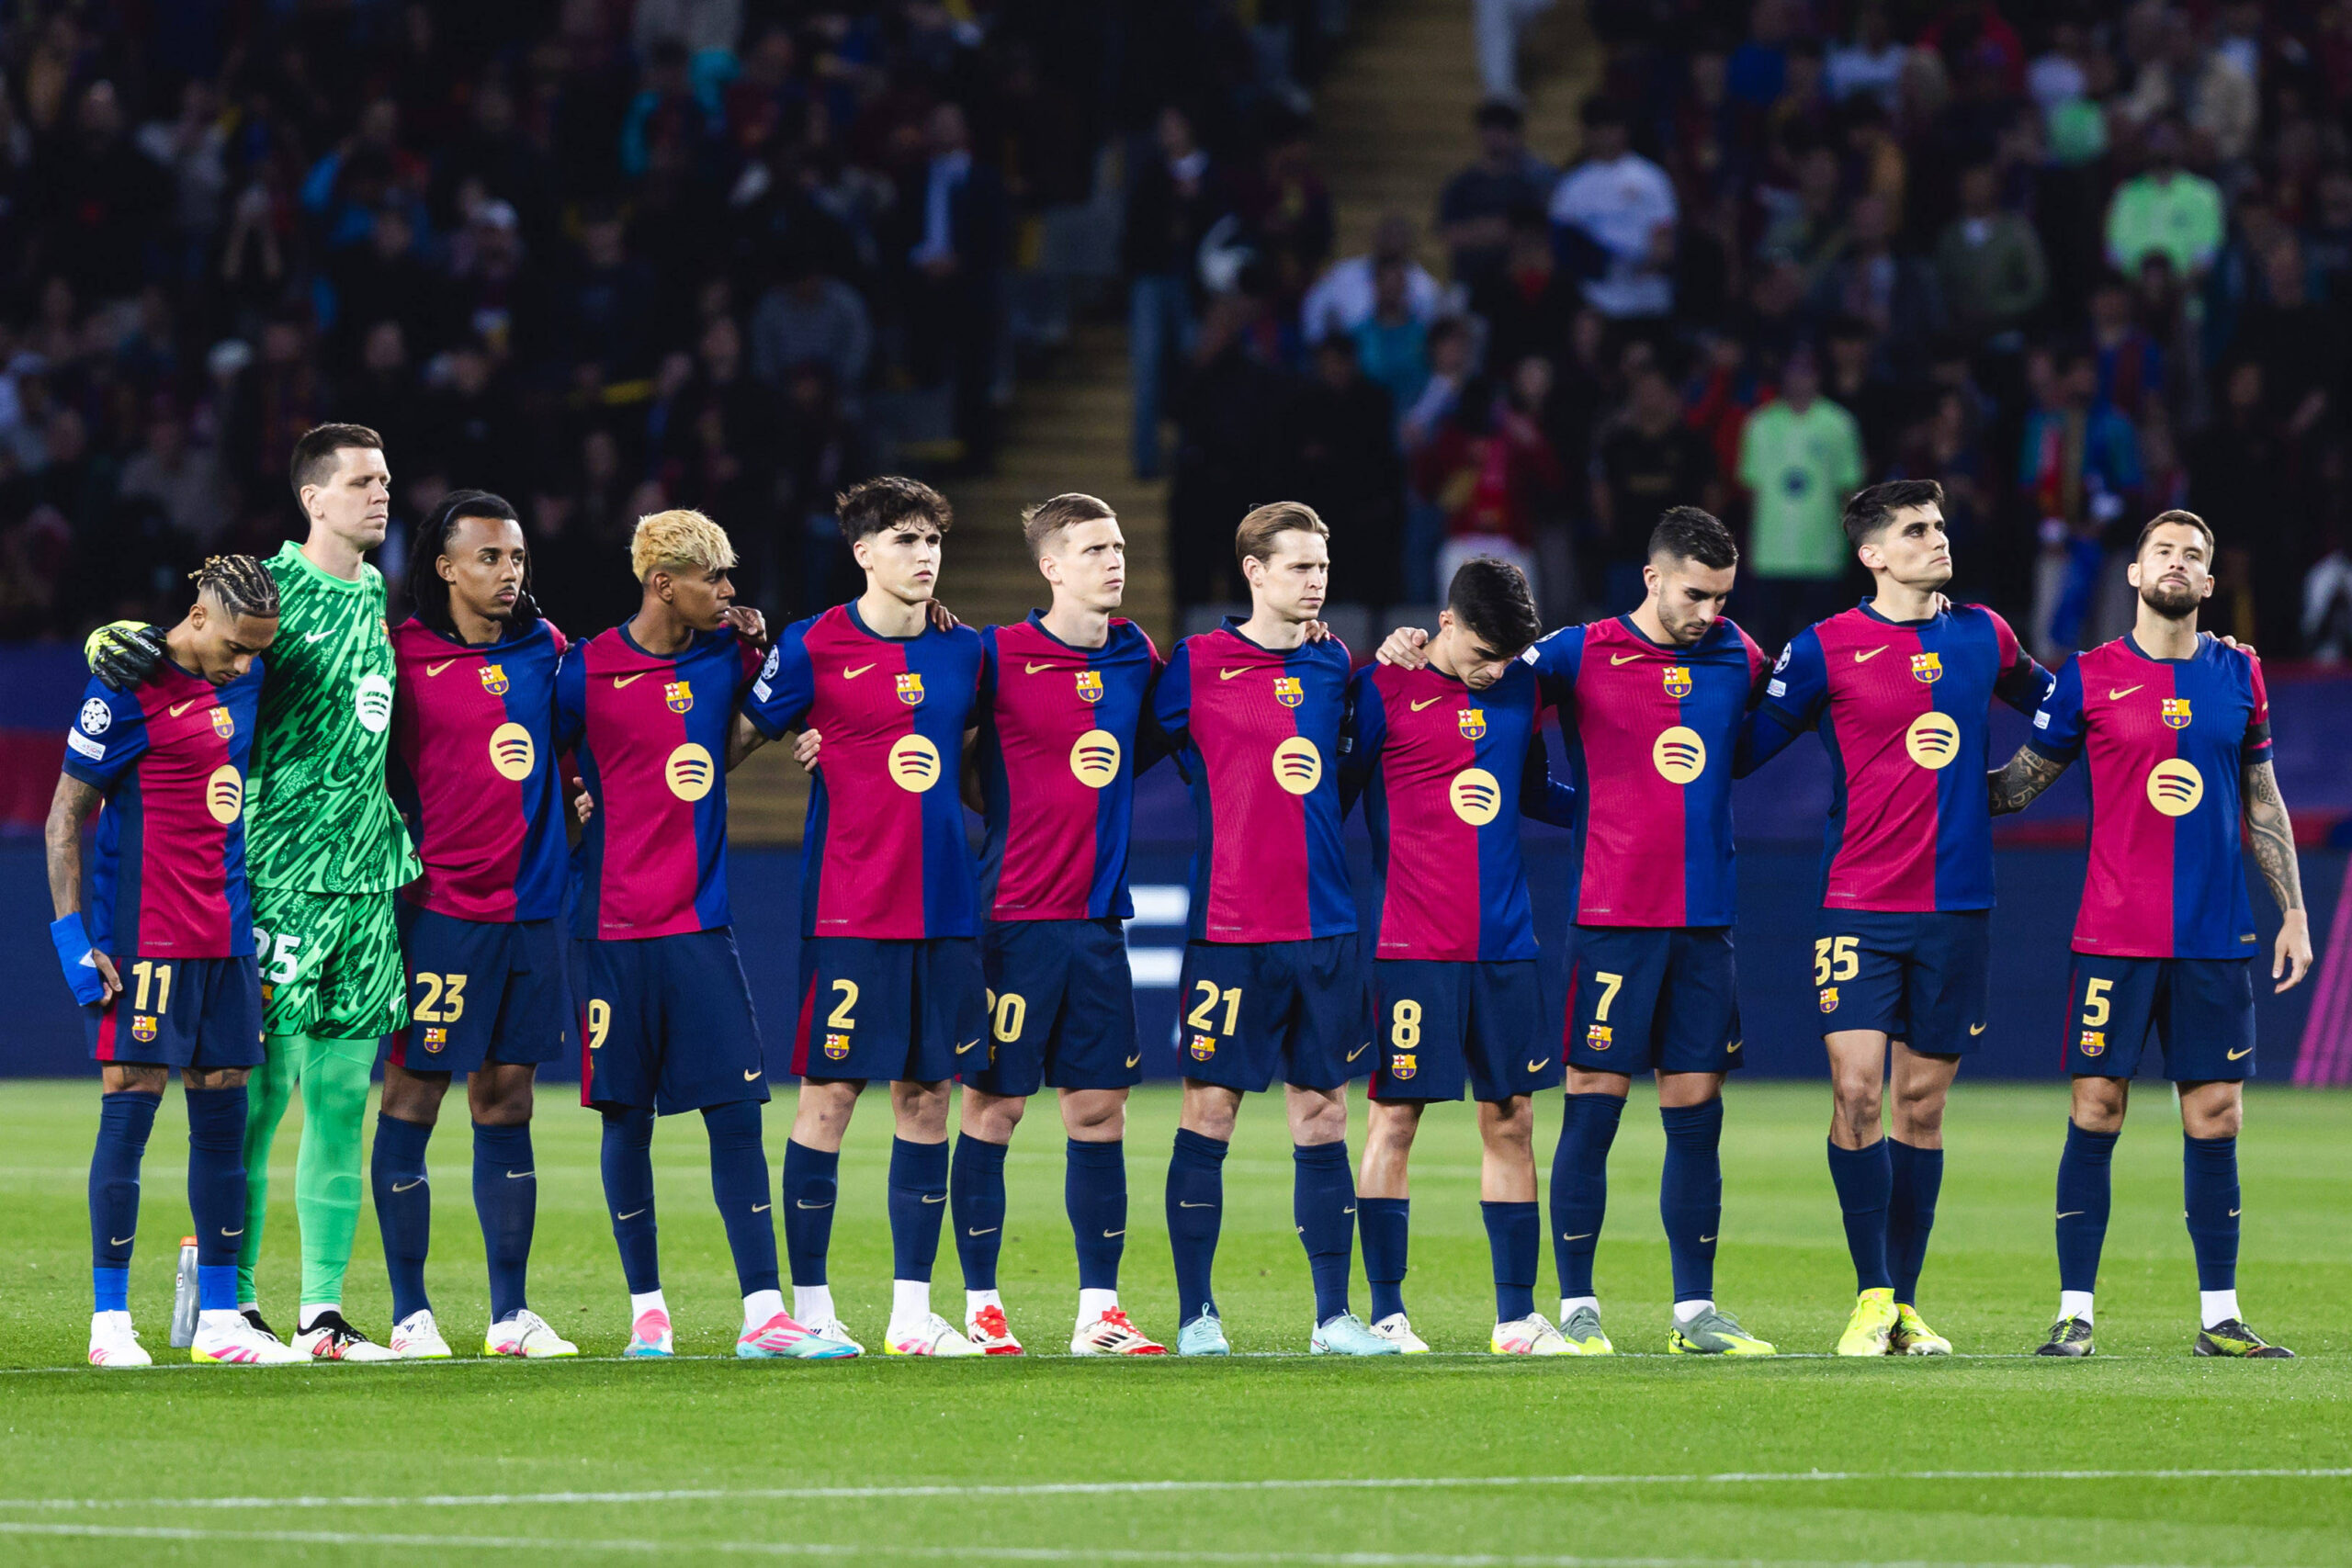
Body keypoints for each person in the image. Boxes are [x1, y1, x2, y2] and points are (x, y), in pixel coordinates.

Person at [1380, 507, 1779, 1355]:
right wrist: (1406, 648)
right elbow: (1477, 681)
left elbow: (1772, 729)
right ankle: (1578, 1306)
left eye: (1721, 597)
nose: (1708, 612)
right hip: (1611, 919)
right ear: (1653, 577)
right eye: (1695, 594)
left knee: (1696, 1115)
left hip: (1706, 921)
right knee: (1591, 1113)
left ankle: (1695, 1311)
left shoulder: (1738, 655)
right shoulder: (1572, 654)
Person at [90, 423, 419, 1360]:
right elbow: (172, 655)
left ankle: (322, 1314)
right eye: (360, 482)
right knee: (253, 1096)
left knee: (344, 1097)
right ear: (313, 497)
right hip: (274, 874)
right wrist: (112, 640)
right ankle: (227, 1303)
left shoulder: (376, 592)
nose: (380, 494)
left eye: (385, 480)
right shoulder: (269, 590)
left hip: (365, 877)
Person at [1741, 479, 2053, 1357]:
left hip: (1958, 906)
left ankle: (1905, 1306)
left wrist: (2019, 784)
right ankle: (1870, 1294)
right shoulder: (1824, 648)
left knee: (1922, 1105)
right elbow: (1743, 748)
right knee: (1857, 1091)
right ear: (1871, 554)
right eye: (1915, 530)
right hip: (1858, 903)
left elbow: (2072, 710)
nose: (1937, 538)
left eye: (1940, 525)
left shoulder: (1984, 635)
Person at [1989, 510, 2310, 1359]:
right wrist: (1924, 781)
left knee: (2217, 1114)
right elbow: (2019, 784)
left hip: (2213, 937)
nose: (2177, 562)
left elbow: (2264, 798)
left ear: (2208, 582)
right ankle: (2075, 1314)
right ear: (2134, 574)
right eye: (2162, 550)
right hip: (2114, 935)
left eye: (2193, 554)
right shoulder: (2089, 675)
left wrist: (2295, 912)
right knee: (2096, 1106)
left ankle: (2220, 1317)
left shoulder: (2240, 673)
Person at [556, 508, 853, 1362]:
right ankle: (648, 1313)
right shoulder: (584, 671)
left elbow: (811, 686)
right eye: (712, 577)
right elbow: (542, 759)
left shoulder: (732, 654)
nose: (729, 590)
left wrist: (814, 735)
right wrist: (575, 795)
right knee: (626, 1118)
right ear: (663, 584)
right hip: (609, 928)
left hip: (700, 924)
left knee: (736, 1112)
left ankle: (764, 1314)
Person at [741, 477, 991, 1358]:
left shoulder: (967, 650)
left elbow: (981, 761)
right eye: (905, 539)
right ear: (862, 553)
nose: (924, 555)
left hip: (945, 908)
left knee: (928, 1099)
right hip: (851, 907)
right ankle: (811, 1309)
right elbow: (737, 735)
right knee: (830, 1096)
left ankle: (912, 1315)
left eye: (933, 540)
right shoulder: (814, 644)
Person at [1150, 502, 1394, 1357]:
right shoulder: (1194, 665)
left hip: (1324, 926)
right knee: (1209, 1109)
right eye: (1299, 565)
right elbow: (1125, 743)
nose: (1316, 579)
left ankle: (1333, 1318)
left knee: (1323, 1113)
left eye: (1321, 565)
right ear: (1254, 571)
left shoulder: (1336, 665)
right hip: (1230, 926)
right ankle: (1196, 1315)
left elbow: (1351, 776)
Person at [50, 558, 300, 1367]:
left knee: (225, 1122)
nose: (244, 664)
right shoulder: (124, 685)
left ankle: (220, 1319)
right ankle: (110, 1322)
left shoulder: (249, 673)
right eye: (234, 646)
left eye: (257, 651)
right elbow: (64, 817)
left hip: (227, 938)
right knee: (130, 1111)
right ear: (197, 616)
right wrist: (73, 940)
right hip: (145, 938)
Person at [1340, 558, 1574, 1355]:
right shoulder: (1382, 689)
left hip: (1506, 946)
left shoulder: (1522, 687)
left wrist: (1616, 809)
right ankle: (1387, 1314)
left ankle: (1516, 1318)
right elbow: (1331, 798)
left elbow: (1535, 790)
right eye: (1481, 652)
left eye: (1505, 657)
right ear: (1444, 622)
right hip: (1412, 946)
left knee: (1512, 1120)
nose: (1492, 670)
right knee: (1395, 1118)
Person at [958, 494, 1169, 1355]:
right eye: (1092, 549)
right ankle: (981, 1305)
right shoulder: (996, 653)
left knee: (1099, 1111)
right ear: (1051, 567)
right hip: (1015, 916)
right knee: (995, 1107)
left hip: (1099, 919)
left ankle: (1099, 1311)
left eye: (1117, 546)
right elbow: (937, 741)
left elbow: (1149, 742)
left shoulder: (1135, 653)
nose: (1114, 560)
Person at [374, 491, 577, 1360]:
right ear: (446, 567)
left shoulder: (547, 648)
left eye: (517, 557)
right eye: (490, 556)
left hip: (530, 913)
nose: (508, 572)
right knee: (413, 1095)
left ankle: (509, 1314)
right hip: (440, 911)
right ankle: (410, 1312)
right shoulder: (400, 654)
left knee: (506, 1099)